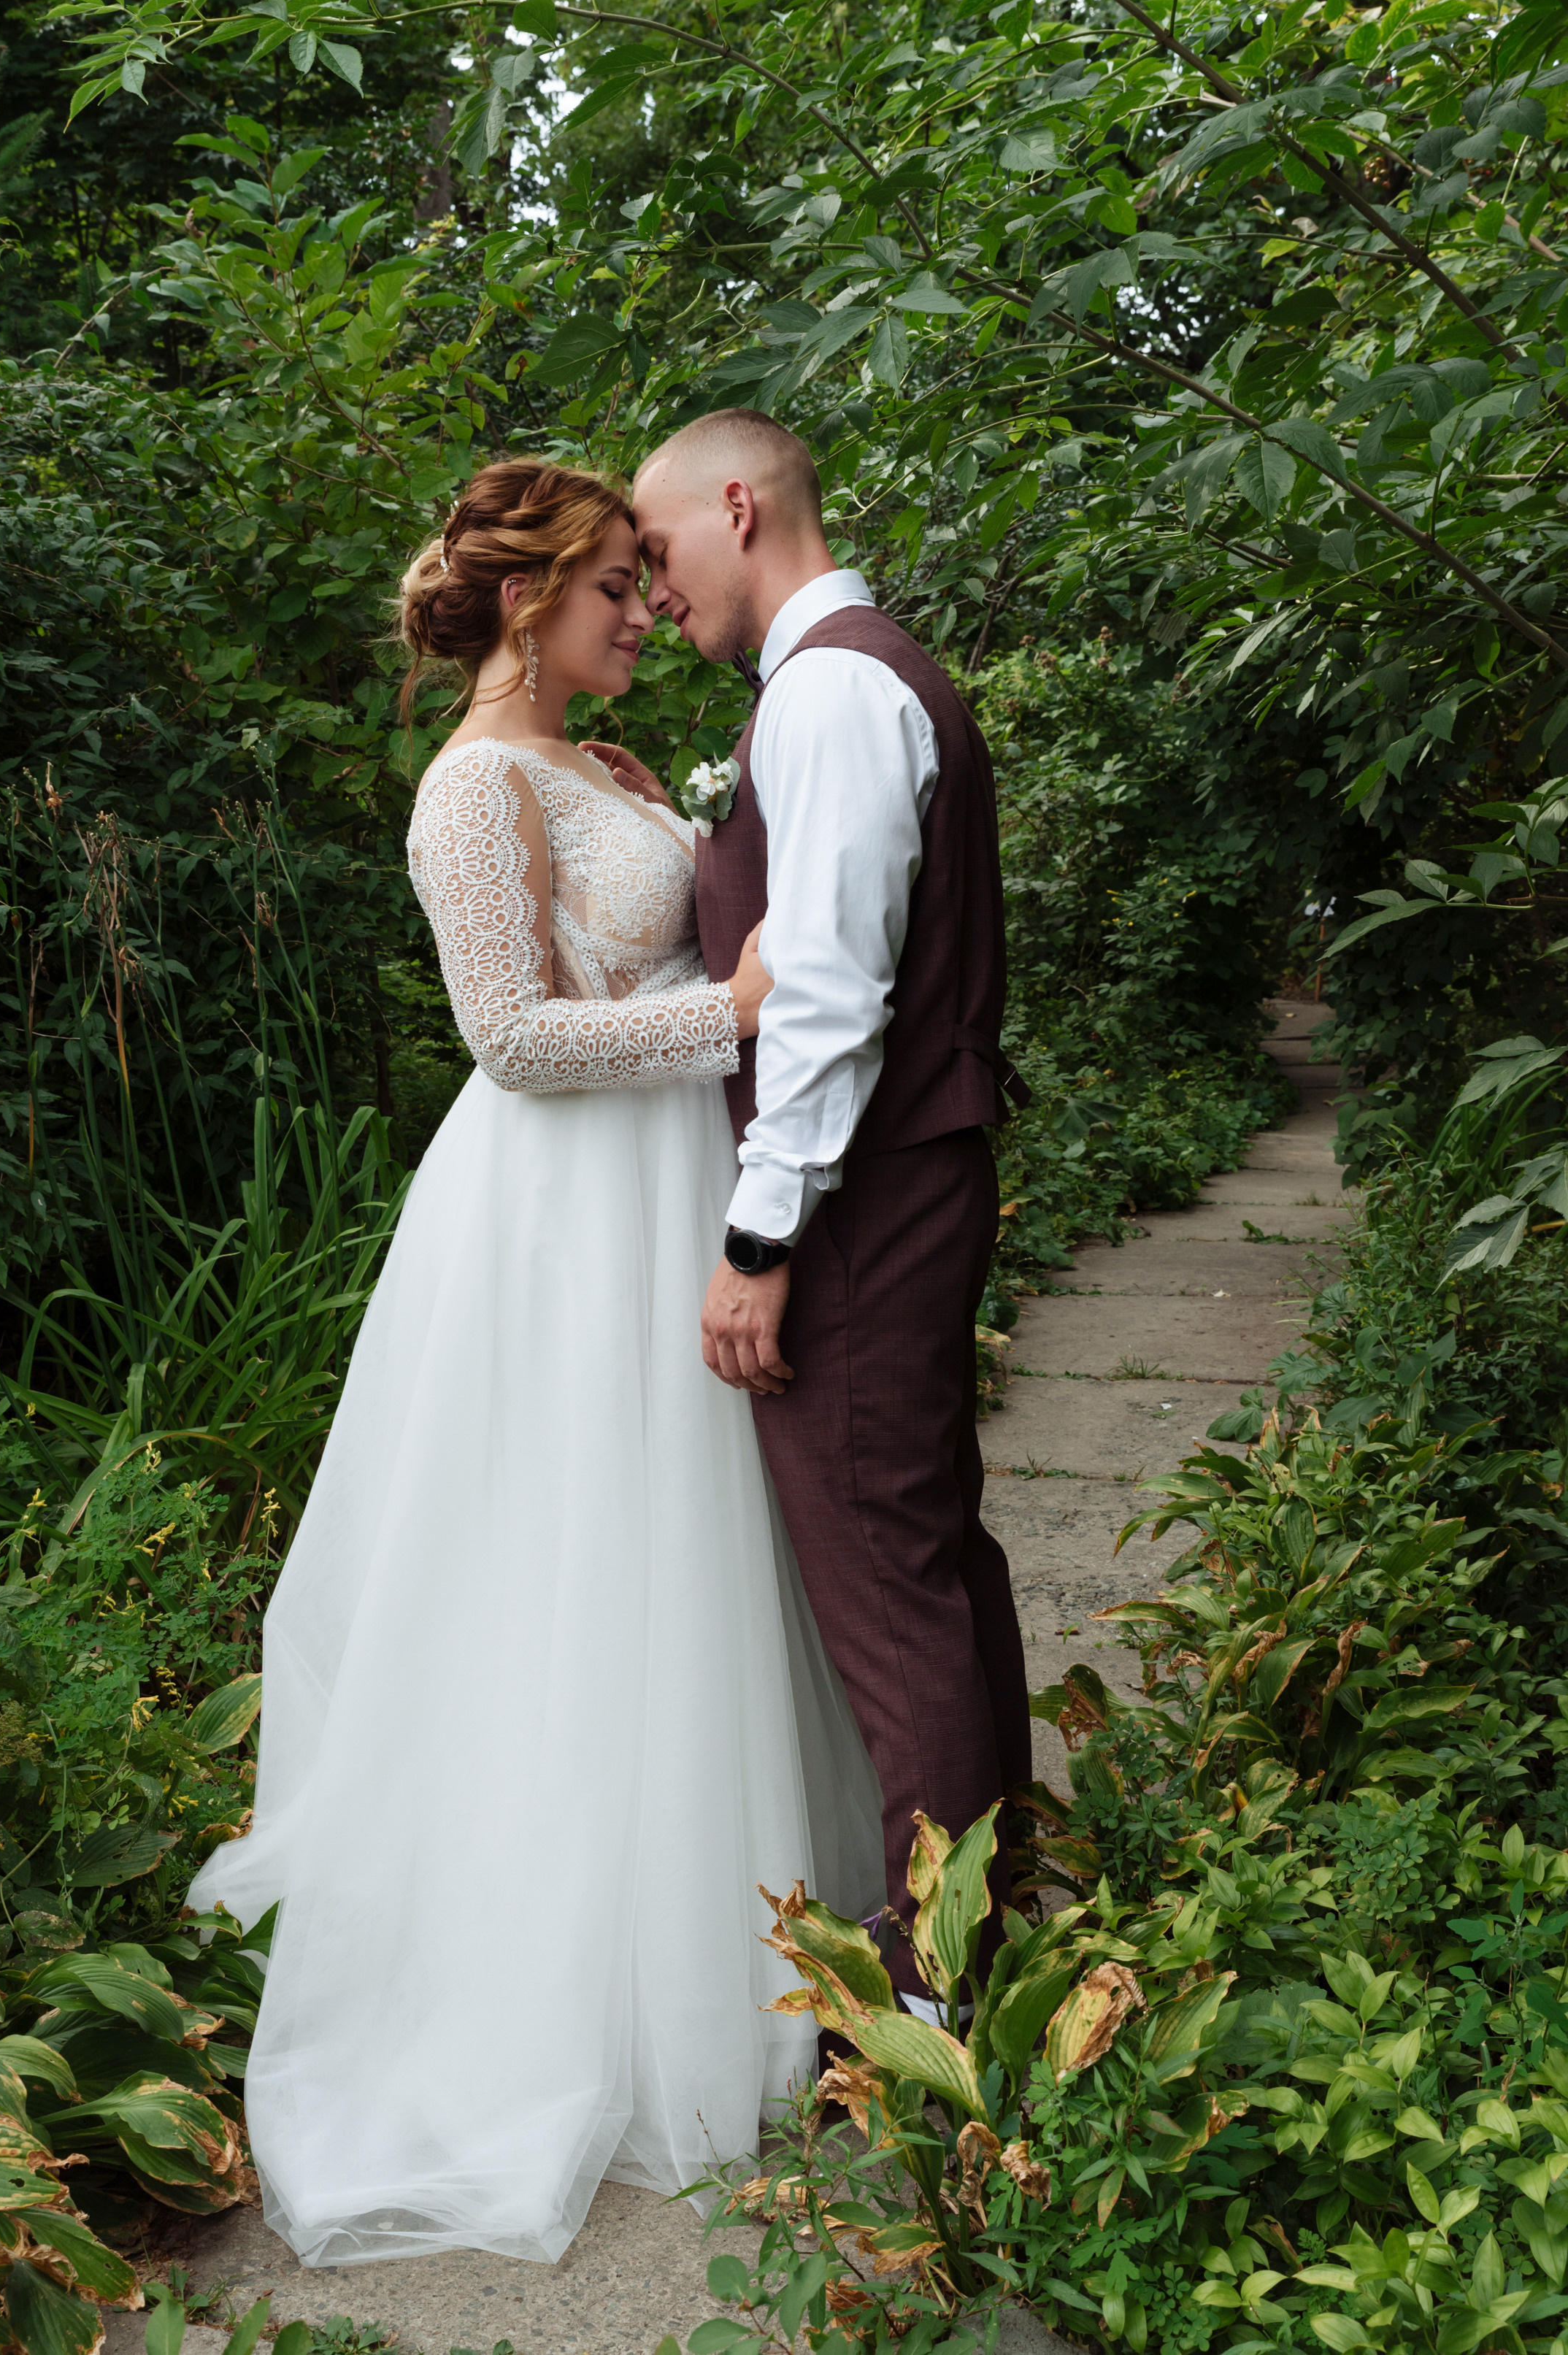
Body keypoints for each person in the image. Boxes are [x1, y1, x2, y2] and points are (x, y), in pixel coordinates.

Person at [187, 459, 882, 2267]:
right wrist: (725, 1013)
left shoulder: (596, 767)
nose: (647, 615)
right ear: (524, 603)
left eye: (652, 590)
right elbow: (507, 1037)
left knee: (681, 1571)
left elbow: (623, 938)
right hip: (551, 1219)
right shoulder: (467, 785)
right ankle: (553, 1991)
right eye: (613, 593)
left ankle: (721, 1948)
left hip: (663, 1193)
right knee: (558, 1573)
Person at [616, 410, 1031, 2012]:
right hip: (906, 1173)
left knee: (884, 1568)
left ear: (739, 506)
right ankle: (993, 1906)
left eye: (656, 555)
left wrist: (759, 1240)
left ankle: (940, 1991)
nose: (654, 597)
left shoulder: (837, 689)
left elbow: (832, 996)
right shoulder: (838, 680)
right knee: (925, 1548)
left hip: (864, 1198)